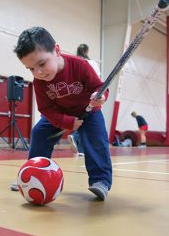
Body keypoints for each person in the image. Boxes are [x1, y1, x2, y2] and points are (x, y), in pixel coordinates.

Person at [11, 27, 112, 201]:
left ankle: (100, 181)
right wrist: (67, 122)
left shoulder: (80, 66)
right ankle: (31, 175)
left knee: (97, 141)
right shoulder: (39, 82)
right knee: (39, 133)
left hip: (89, 112)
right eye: (31, 69)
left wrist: (100, 96)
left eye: (42, 64)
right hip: (60, 113)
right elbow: (45, 109)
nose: (38, 73)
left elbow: (99, 87)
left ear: (57, 50)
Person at [68, 43, 101, 156]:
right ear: (87, 51)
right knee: (88, 120)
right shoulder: (92, 63)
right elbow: (97, 80)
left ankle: (81, 149)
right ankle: (76, 137)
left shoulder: (73, 61)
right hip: (88, 95)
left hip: (72, 95)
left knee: (80, 120)